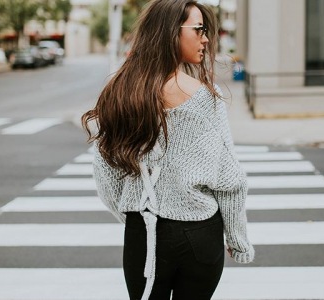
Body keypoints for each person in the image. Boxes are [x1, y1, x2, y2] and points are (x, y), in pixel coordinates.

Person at [81, 0, 254, 299]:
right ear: (171, 32)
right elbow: (230, 180)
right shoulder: (204, 99)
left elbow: (105, 172)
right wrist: (237, 240)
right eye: (199, 29)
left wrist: (136, 218)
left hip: (143, 232)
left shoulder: (121, 91)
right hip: (199, 233)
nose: (206, 39)